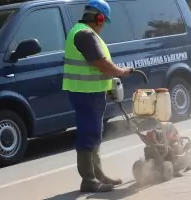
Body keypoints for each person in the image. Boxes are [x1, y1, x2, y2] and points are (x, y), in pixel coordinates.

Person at [62, 0, 132, 193]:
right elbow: (101, 64)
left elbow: (96, 67)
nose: (103, 26)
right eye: (104, 21)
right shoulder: (85, 34)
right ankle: (89, 180)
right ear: (99, 18)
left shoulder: (80, 32)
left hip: (88, 91)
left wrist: (108, 86)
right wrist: (121, 72)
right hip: (86, 93)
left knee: (94, 134)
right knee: (89, 134)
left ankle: (97, 174)